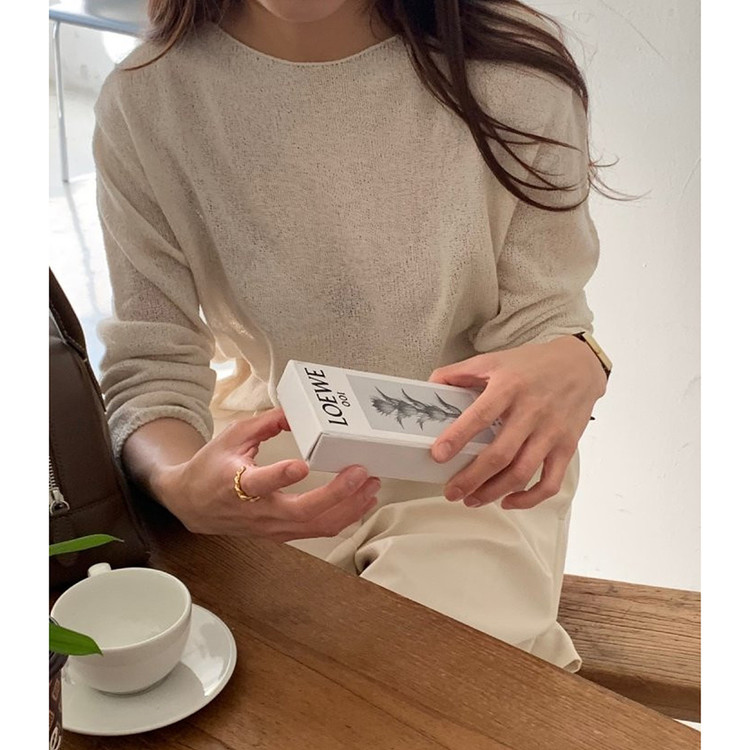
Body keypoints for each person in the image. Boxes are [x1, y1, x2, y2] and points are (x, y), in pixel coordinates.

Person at [93, 0, 612, 672]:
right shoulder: (148, 99)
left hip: (472, 469)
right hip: (267, 470)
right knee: (244, 687)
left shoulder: (514, 75)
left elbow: (542, 322)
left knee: (427, 683)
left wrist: (574, 357)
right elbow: (150, 361)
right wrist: (179, 483)